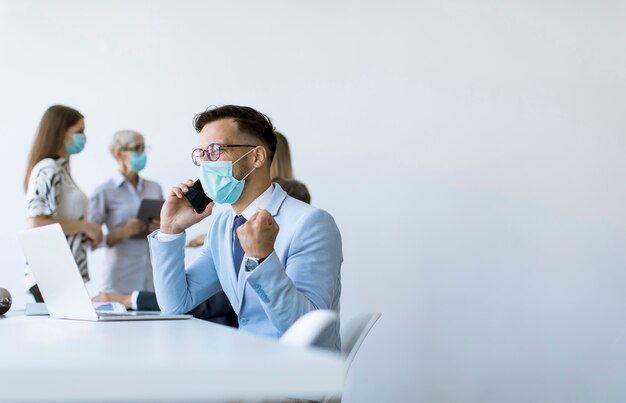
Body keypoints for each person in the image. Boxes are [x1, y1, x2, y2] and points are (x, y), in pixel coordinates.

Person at [151, 105, 342, 349]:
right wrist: (170, 230)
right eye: (201, 154)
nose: (205, 164)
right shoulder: (222, 225)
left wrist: (262, 259)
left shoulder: (312, 223)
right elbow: (175, 304)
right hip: (247, 366)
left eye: (215, 150)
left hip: (296, 376)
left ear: (257, 157)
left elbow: (305, 328)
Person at [24, 105, 103, 302]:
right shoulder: (47, 170)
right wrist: (86, 226)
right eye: (79, 132)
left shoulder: (61, 170)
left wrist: (86, 232)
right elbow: (36, 223)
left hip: (66, 272)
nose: (84, 137)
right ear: (60, 132)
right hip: (52, 272)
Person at [88, 130, 163, 294]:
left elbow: (165, 231)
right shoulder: (104, 191)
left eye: (144, 149)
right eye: (137, 149)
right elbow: (90, 241)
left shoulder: (154, 188)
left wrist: (160, 229)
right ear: (119, 155)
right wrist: (122, 232)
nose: (142, 154)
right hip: (119, 280)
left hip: (152, 279)